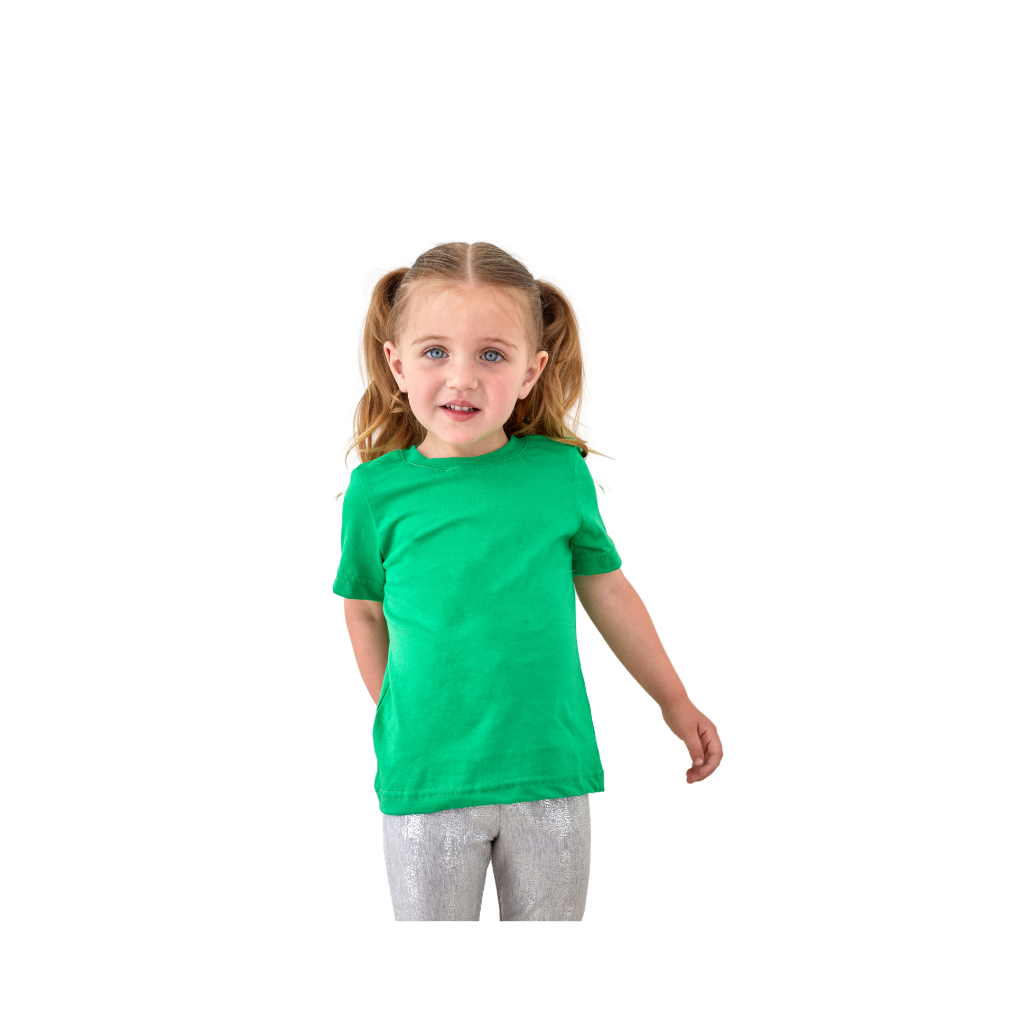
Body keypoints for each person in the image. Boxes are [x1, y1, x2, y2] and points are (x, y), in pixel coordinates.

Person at [333, 241, 723, 921]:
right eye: (435, 352)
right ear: (396, 363)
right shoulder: (376, 492)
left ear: (530, 371)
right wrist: (398, 713)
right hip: (428, 776)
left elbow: (608, 590)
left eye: (491, 354)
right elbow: (363, 610)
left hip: (548, 768)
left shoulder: (558, 474)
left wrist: (674, 699)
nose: (461, 377)